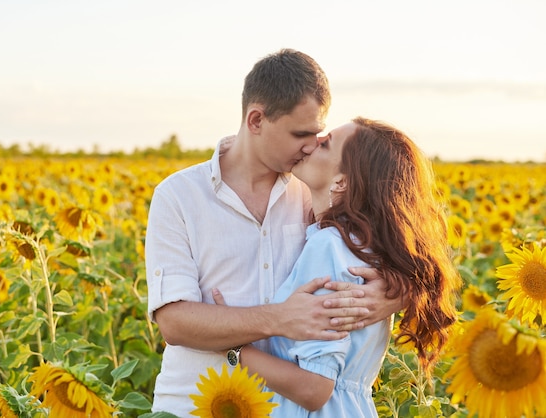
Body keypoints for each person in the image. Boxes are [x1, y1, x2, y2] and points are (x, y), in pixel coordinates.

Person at [145, 49, 402, 416]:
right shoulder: (179, 196)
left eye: (319, 134)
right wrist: (279, 317)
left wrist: (392, 293)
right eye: (301, 134)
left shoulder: (314, 194)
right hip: (193, 404)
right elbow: (174, 322)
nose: (312, 145)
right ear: (256, 120)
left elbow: (402, 249)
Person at [213, 117, 461, 417]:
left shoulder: (330, 247)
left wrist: (232, 347)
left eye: (326, 143)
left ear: (342, 181)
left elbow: (314, 388)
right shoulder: (365, 250)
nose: (313, 142)